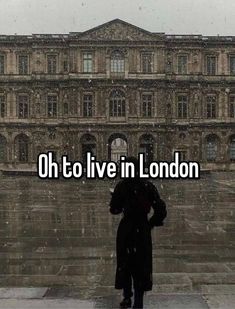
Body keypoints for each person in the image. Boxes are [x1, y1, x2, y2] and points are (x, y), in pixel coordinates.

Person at [109, 157, 167, 309]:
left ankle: (127, 297)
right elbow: (160, 209)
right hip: (142, 230)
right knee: (141, 266)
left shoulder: (121, 186)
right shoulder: (148, 185)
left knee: (125, 264)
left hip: (126, 229)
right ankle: (139, 303)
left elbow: (114, 209)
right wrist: (150, 223)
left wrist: (119, 202)